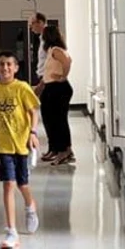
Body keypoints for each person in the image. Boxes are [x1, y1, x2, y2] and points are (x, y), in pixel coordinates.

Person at [0, 51, 41, 249]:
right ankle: (11, 231)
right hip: (4, 144)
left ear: (16, 68)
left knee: (22, 184)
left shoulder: (22, 88)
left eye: (9, 64)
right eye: (1, 64)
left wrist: (33, 133)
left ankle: (30, 206)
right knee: (8, 184)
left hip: (22, 143)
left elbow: (33, 112)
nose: (5, 67)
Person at [38, 25, 75, 166]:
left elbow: (68, 61)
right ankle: (54, 148)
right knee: (49, 119)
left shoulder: (56, 50)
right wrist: (40, 86)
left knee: (58, 121)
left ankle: (63, 151)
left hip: (58, 88)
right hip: (50, 87)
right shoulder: (50, 51)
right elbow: (48, 71)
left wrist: (63, 76)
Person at [28, 13, 48, 94]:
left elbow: (52, 62)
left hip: (47, 79)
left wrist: (42, 83)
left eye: (32, 24)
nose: (30, 27)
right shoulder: (42, 38)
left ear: (40, 22)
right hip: (44, 78)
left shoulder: (49, 38)